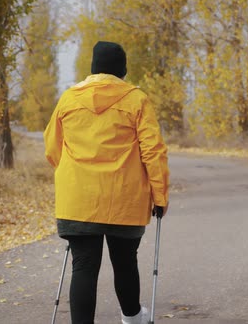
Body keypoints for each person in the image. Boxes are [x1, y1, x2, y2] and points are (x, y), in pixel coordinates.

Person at [44, 41, 169, 324]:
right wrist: (159, 196)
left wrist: (75, 176)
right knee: (125, 262)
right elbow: (153, 151)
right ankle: (132, 318)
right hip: (123, 200)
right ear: (122, 71)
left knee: (84, 266)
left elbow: (52, 149)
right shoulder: (136, 100)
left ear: (92, 69)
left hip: (78, 202)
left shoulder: (68, 99)